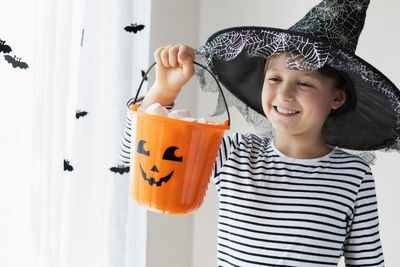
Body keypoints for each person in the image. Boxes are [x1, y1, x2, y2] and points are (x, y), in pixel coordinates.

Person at [120, 0, 400, 266]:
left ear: (336, 98)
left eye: (304, 83)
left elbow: (368, 261)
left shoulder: (354, 175)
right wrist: (164, 91)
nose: (284, 93)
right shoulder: (233, 153)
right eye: (275, 79)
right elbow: (134, 158)